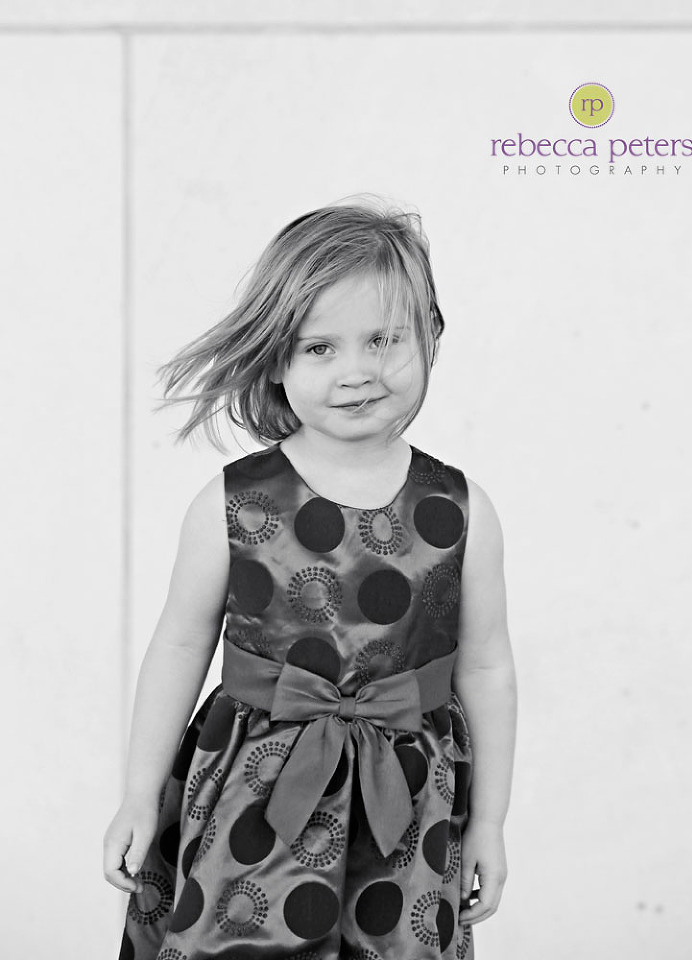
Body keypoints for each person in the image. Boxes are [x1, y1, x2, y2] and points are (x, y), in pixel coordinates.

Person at [104, 197, 517, 960]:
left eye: (384, 339)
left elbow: (487, 666)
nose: (357, 372)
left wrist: (489, 821)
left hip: (408, 805)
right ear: (276, 360)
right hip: (252, 796)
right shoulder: (234, 504)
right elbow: (180, 644)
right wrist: (139, 791)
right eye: (320, 348)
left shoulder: (462, 511)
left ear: (431, 334)